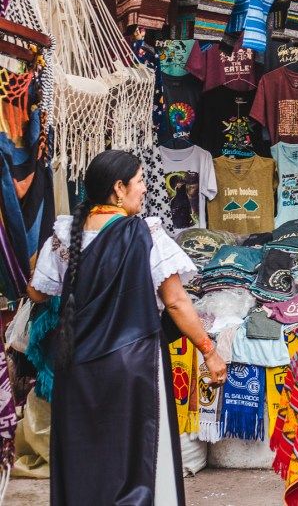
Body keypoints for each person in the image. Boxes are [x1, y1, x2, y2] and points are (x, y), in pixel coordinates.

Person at [26, 149, 226, 506]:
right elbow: (178, 303)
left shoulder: (64, 234)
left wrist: (34, 261)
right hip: (135, 367)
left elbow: (37, 293)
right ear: (118, 188)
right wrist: (209, 351)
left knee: (85, 459)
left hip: (76, 366)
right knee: (142, 459)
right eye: (139, 182)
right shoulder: (146, 234)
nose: (145, 189)